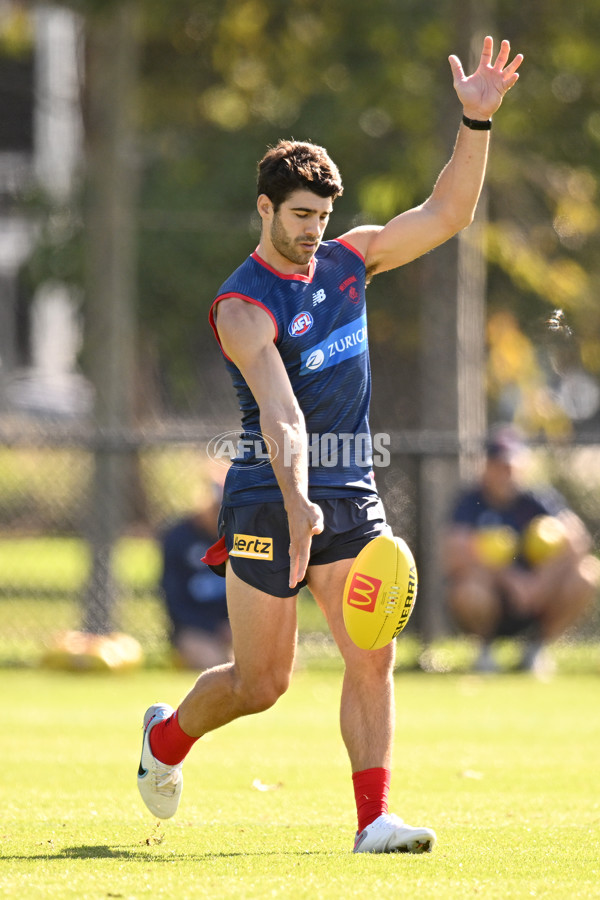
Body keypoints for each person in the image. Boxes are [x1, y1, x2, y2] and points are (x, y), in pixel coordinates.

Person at [137, 37, 523, 853]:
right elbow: (281, 415)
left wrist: (475, 122)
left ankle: (373, 819)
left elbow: (447, 214)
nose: (314, 232)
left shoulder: (351, 262)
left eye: (323, 217)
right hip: (266, 496)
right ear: (266, 210)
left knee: (371, 654)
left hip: (350, 491)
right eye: (300, 216)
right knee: (261, 683)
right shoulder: (242, 307)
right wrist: (295, 498)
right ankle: (166, 739)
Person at [442, 426, 599, 676]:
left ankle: (535, 650)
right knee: (467, 589)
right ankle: (485, 651)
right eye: (499, 466)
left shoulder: (539, 500)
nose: (506, 473)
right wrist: (508, 578)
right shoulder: (470, 501)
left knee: (588, 572)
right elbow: (454, 554)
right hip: (494, 599)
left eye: (512, 466)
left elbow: (578, 541)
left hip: (537, 600)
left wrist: (540, 581)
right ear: (487, 466)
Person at [159, 485, 232, 670]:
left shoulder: (241, 536)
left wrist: (234, 624)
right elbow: (174, 599)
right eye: (217, 509)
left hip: (237, 626)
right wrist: (214, 626)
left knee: (273, 668)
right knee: (216, 666)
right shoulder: (179, 538)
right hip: (195, 629)